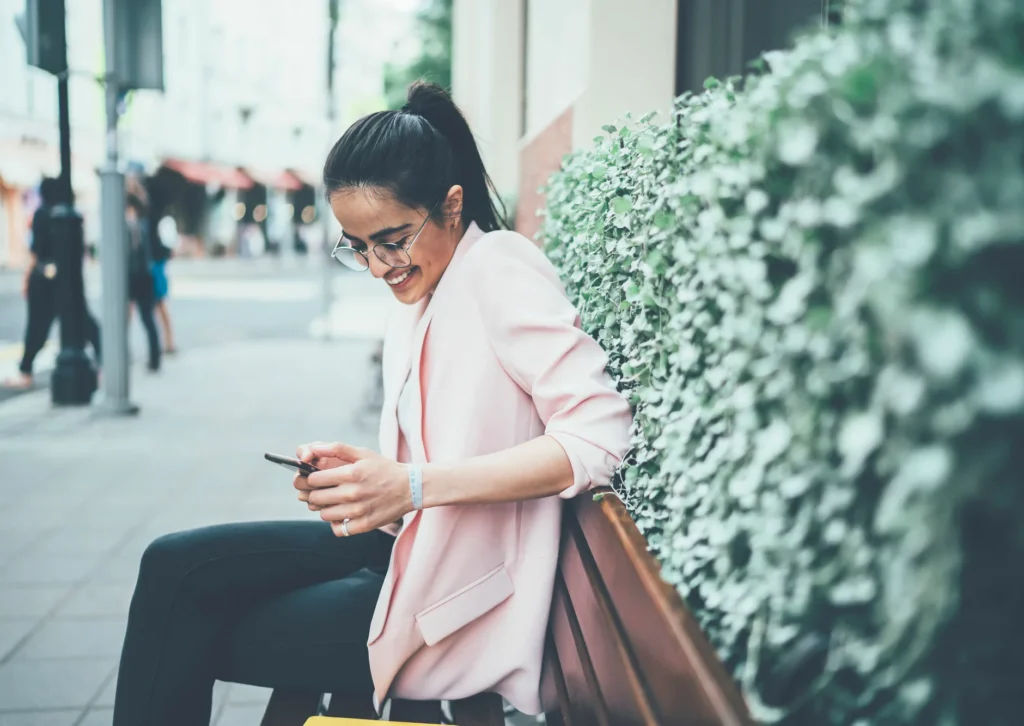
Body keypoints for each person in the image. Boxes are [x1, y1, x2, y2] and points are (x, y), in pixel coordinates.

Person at [112, 82, 633, 726]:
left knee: (193, 625)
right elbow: (428, 465)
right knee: (172, 565)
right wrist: (363, 480)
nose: (380, 265)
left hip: (456, 602)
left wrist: (410, 485)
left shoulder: (498, 268)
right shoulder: (425, 292)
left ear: (451, 204)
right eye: (358, 247)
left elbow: (598, 437)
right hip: (409, 552)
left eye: (392, 239)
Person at [3, 177, 101, 390]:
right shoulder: (73, 216)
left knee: (37, 327)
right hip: (69, 281)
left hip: (44, 281)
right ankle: (104, 363)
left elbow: (36, 252)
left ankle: (25, 371)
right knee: (84, 322)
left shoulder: (42, 215)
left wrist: (27, 278)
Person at [125, 194, 161, 372]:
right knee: (148, 319)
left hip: (133, 278)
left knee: (128, 319)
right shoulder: (145, 226)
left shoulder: (131, 227)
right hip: (145, 277)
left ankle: (124, 356)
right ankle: (154, 359)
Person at [152, 213, 178, 354]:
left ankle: (168, 344)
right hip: (156, 268)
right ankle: (168, 344)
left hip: (155, 269)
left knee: (159, 309)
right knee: (159, 310)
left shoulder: (153, 221)